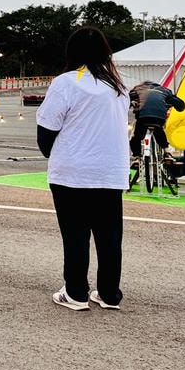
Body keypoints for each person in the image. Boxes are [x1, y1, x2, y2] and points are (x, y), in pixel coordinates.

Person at [36, 26, 129, 312]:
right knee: (109, 236)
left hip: (73, 172)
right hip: (111, 172)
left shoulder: (67, 82)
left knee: (76, 234)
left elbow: (47, 130)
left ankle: (76, 292)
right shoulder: (118, 86)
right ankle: (110, 293)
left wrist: (57, 155)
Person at [128, 80, 185, 158]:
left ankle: (137, 156)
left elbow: (125, 100)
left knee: (137, 136)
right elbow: (181, 106)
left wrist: (131, 103)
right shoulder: (165, 91)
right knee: (159, 129)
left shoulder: (138, 89)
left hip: (143, 117)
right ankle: (167, 152)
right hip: (159, 117)